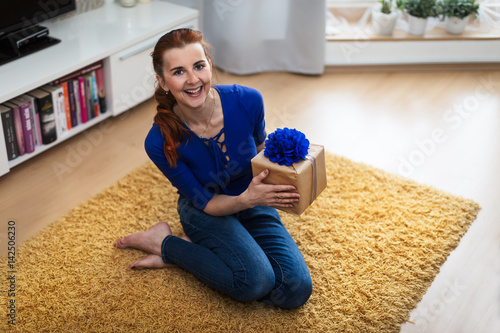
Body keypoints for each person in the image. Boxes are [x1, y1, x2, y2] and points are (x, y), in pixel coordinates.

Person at [114, 28, 312, 309]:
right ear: (163, 82)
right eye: (179, 72)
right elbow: (204, 202)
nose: (193, 80)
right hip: (205, 211)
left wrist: (289, 170)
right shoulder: (158, 141)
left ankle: (206, 251)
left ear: (210, 64)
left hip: (252, 200)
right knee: (254, 283)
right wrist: (246, 199)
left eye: (198, 66)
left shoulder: (248, 100)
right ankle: (165, 244)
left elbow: (259, 153)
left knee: (295, 290)